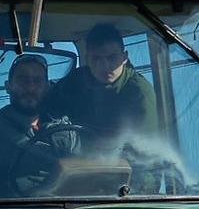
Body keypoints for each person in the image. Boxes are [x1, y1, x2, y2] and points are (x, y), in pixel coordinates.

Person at [0, 54, 81, 197]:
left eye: (37, 80)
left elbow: (81, 172)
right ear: (8, 86)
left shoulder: (66, 129)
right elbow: (23, 156)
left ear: (48, 87)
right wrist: (62, 167)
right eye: (22, 79)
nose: (30, 87)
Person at [42, 22, 160, 150]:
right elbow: (46, 109)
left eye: (112, 58)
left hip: (119, 166)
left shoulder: (139, 93)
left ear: (124, 57)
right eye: (96, 59)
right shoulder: (76, 80)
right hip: (70, 160)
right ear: (87, 59)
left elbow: (143, 150)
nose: (104, 66)